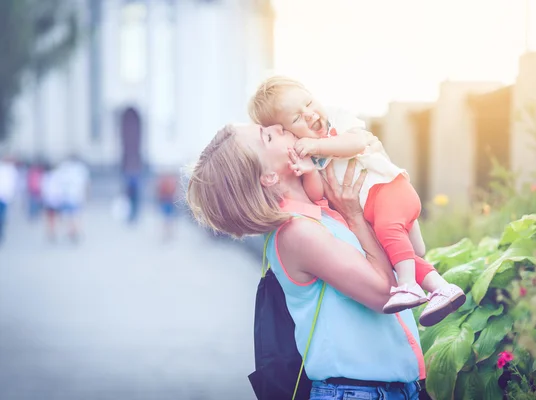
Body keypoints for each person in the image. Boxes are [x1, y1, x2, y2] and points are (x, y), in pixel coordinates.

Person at [187, 124, 424, 399]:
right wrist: (356, 217)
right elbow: (386, 295)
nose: (278, 125)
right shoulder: (298, 233)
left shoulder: (321, 216)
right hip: (357, 392)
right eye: (268, 136)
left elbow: (415, 252)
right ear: (270, 176)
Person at [248, 76, 465, 325]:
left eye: (308, 102)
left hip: (388, 190)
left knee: (389, 232)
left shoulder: (336, 119)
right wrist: (308, 170)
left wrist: (317, 146)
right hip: (374, 208)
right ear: (287, 131)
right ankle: (442, 289)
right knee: (401, 254)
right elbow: (317, 193)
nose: (308, 114)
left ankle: (408, 285)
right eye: (296, 118)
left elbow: (357, 142)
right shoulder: (306, 148)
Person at [0, 156, 19, 244]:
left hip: (4, 197)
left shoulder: (10, 169)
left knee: (2, 216)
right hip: (5, 196)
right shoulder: (10, 170)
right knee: (2, 216)